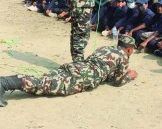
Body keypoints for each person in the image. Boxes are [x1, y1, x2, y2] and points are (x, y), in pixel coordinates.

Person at [0, 35, 138, 107]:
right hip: (81, 78)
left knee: (42, 79)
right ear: (130, 49)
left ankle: (5, 82)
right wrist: (130, 76)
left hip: (75, 67)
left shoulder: (105, 48)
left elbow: (101, 66)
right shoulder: (123, 57)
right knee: (41, 84)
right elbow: (118, 82)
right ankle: (4, 84)